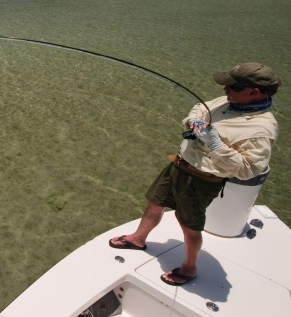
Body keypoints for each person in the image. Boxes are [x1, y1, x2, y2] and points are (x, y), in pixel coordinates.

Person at [108, 62, 281, 286]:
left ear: (254, 92)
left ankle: (189, 268)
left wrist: (216, 144)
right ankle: (137, 239)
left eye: (233, 87)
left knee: (189, 225)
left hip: (201, 180)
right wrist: (194, 122)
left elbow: (249, 169)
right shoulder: (229, 101)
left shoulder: (261, 129)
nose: (225, 90)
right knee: (155, 202)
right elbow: (200, 107)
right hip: (179, 165)